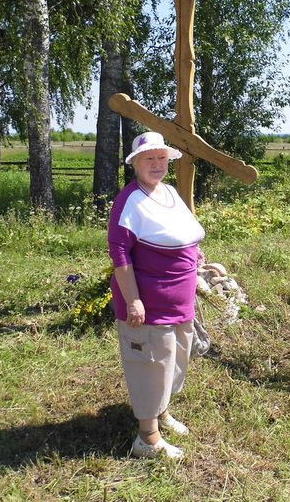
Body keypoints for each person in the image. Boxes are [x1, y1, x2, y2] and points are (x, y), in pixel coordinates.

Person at [108, 132, 205, 459]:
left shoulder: (170, 193)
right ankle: (147, 439)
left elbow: (183, 233)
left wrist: (195, 255)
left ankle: (161, 413)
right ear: (134, 162)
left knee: (175, 359)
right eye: (149, 158)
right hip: (149, 305)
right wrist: (133, 300)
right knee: (151, 363)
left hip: (180, 301)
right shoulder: (129, 200)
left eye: (162, 158)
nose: (157, 164)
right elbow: (119, 253)